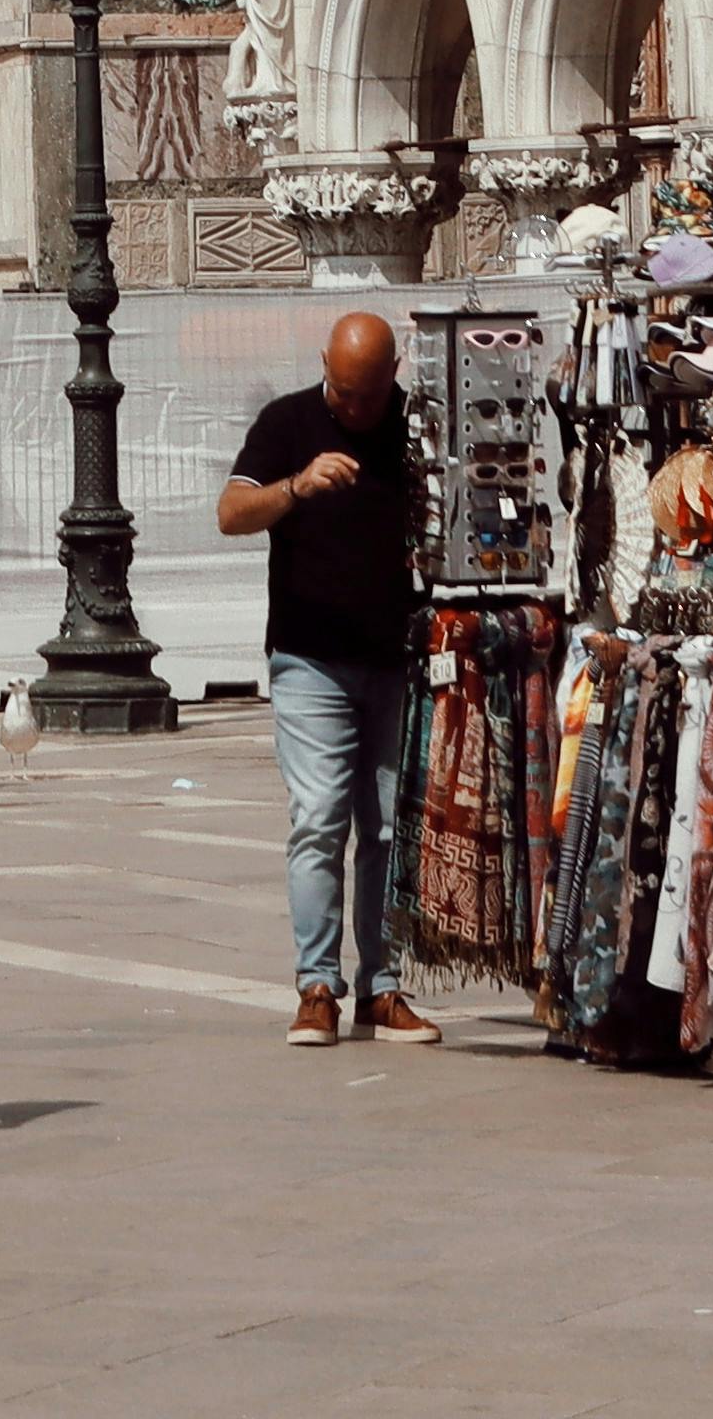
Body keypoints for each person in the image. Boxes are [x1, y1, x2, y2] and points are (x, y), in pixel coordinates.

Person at [221, 305, 432, 1048]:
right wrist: (298, 488)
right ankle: (317, 986)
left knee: (385, 824)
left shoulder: (414, 425)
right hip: (309, 658)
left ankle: (382, 987)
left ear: (393, 378)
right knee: (318, 819)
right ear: (324, 366)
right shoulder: (287, 423)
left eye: (366, 396)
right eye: (341, 392)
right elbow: (231, 512)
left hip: (393, 658)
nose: (351, 408)